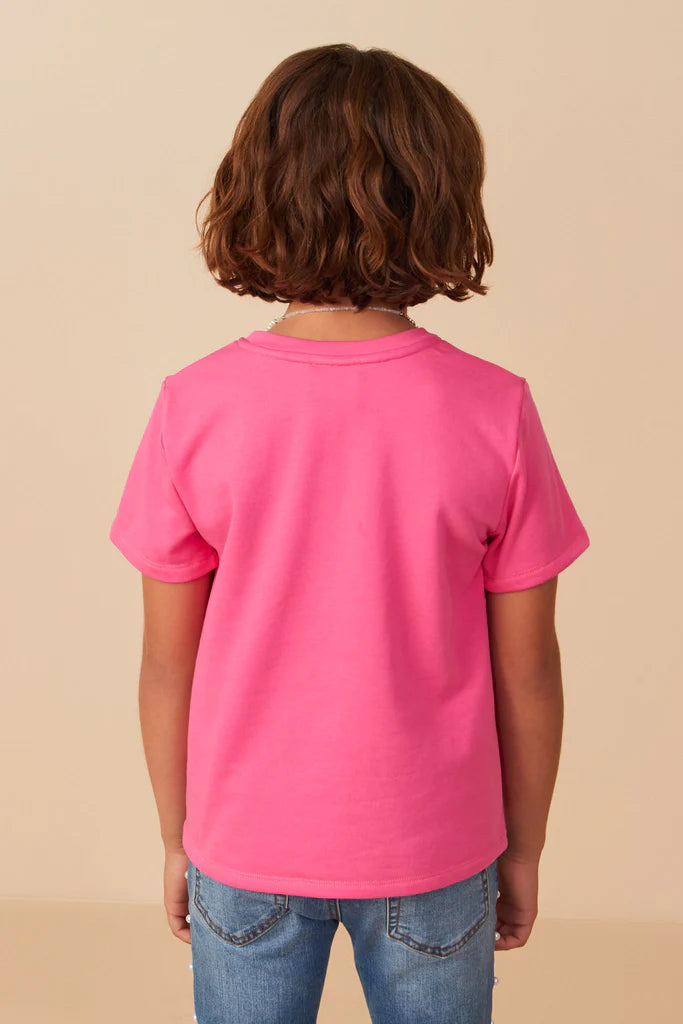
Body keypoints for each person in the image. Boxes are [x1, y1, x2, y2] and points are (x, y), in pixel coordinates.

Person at [109, 43, 590, 1024]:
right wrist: (524, 845)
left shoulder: (193, 407)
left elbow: (167, 662)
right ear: (441, 200)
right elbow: (528, 669)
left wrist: (176, 835)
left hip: (244, 841)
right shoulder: (493, 410)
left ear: (255, 195)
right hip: (437, 848)